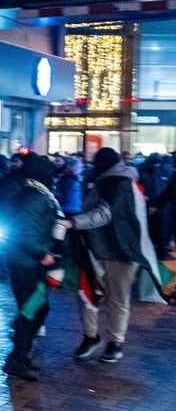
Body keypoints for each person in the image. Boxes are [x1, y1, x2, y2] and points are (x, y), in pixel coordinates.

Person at [65, 147, 159, 363]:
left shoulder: (120, 183)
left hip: (121, 251)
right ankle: (92, 336)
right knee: (87, 294)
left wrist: (74, 222)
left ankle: (115, 342)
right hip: (96, 248)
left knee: (116, 299)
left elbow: (106, 213)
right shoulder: (108, 181)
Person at [0, 153, 62, 381]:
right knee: (32, 309)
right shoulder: (36, 197)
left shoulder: (30, 193)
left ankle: (19, 355)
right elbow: (25, 232)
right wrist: (42, 254)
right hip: (28, 262)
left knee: (35, 309)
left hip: (24, 261)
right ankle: (16, 359)